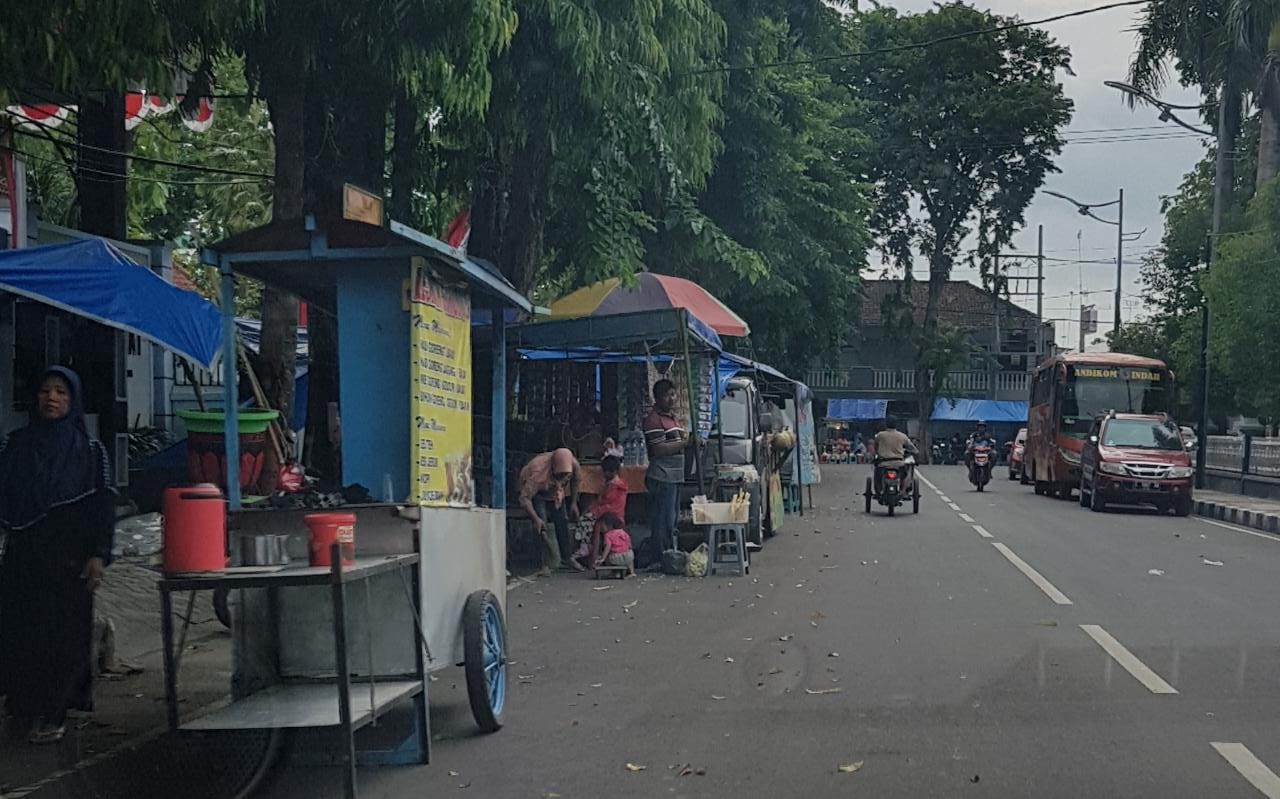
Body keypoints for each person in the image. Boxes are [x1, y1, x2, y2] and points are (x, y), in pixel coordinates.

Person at [0, 367, 114, 744]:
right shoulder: (15, 446)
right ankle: (23, 708)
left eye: (61, 392)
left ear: (73, 400)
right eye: (45, 391)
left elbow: (102, 507)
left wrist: (98, 555)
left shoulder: (90, 452)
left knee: (61, 636)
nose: (52, 398)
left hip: (70, 558)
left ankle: (54, 712)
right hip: (24, 555)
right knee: (21, 633)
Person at [518, 448, 581, 576]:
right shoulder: (538, 473)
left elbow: (575, 481)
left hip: (556, 491)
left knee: (563, 520)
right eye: (560, 475)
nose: (563, 478)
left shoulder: (573, 465)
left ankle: (567, 557)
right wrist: (535, 518)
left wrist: (574, 502)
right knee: (542, 526)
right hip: (538, 493)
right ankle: (543, 563)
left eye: (565, 476)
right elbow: (524, 498)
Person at [643, 379, 686, 553]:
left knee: (673, 519)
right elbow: (659, 449)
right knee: (663, 519)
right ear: (658, 398)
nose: (671, 399)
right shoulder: (654, 420)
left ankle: (669, 552)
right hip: (662, 476)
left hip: (674, 476)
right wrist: (685, 443)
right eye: (667, 395)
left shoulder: (672, 418)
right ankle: (661, 556)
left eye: (673, 394)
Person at [568, 455, 627, 571]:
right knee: (587, 517)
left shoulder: (613, 486)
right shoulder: (619, 484)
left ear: (612, 472)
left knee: (584, 521)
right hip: (614, 513)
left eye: (605, 472)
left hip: (611, 515)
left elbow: (604, 504)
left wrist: (592, 510)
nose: (603, 474)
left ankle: (585, 548)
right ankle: (588, 551)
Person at [872, 416, 917, 493]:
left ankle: (878, 490)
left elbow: (876, 447)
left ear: (886, 424)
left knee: (877, 474)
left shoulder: (880, 435)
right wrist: (915, 452)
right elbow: (912, 448)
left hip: (883, 463)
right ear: (897, 425)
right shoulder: (902, 436)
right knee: (905, 475)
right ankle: (904, 490)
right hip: (899, 463)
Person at [593, 512, 635, 576]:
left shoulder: (608, 535)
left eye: (601, 526)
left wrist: (603, 558)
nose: (600, 528)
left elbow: (608, 546)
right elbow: (629, 544)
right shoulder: (622, 531)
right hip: (628, 557)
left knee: (609, 557)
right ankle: (632, 572)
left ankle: (616, 573)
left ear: (609, 524)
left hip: (616, 558)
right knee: (629, 553)